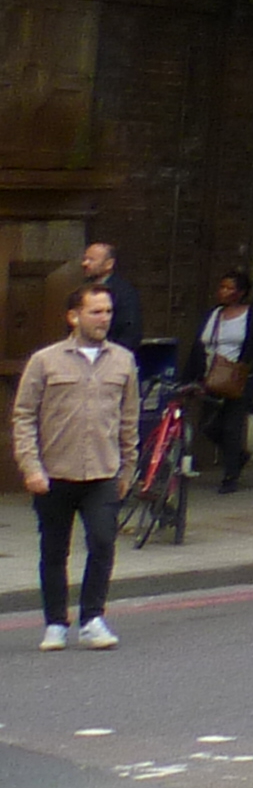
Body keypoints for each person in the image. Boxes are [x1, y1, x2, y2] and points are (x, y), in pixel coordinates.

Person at [16, 276, 138, 648]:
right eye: (96, 311)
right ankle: (55, 622)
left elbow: (129, 419)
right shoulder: (45, 361)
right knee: (55, 549)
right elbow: (23, 416)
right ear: (74, 316)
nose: (104, 319)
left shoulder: (123, 361)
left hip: (102, 471)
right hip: (54, 473)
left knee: (102, 542)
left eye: (108, 312)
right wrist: (31, 467)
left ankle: (92, 618)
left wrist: (128, 468)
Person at [188, 271, 253, 493]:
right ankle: (239, 456)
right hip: (212, 379)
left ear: (241, 293)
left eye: (229, 288)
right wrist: (190, 377)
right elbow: (199, 347)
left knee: (232, 428)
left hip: (239, 379)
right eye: (222, 287)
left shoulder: (252, 317)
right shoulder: (213, 314)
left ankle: (230, 476)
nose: (223, 291)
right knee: (208, 427)